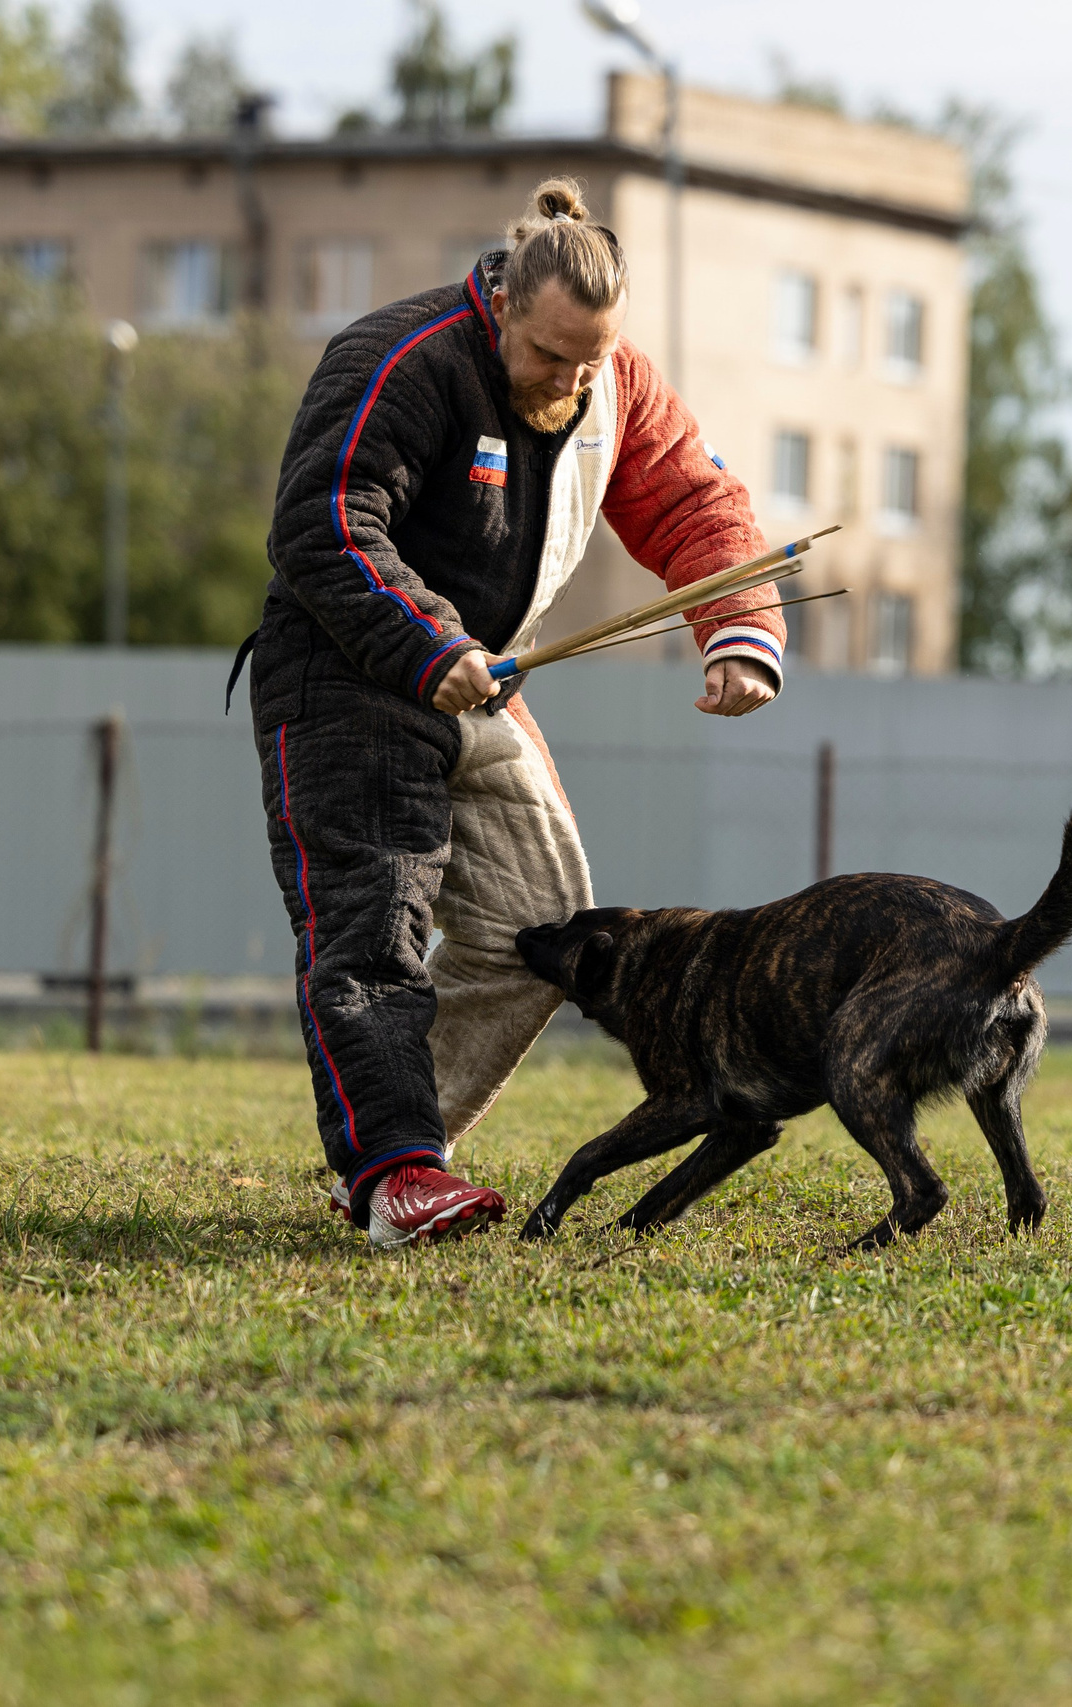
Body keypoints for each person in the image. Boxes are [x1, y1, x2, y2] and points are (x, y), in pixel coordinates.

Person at [239, 177, 785, 1248]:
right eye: (549, 357)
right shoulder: (400, 358)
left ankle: (400, 1148)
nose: (572, 382)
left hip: (480, 686)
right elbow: (326, 523)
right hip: (352, 672)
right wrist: (428, 642)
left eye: (592, 359)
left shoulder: (611, 379)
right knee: (373, 922)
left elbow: (693, 502)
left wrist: (738, 631)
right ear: (499, 308)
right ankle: (394, 1175)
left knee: (542, 928)